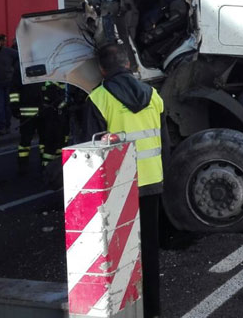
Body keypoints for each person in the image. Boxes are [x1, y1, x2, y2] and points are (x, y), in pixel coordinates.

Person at [83, 43, 165, 318]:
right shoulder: (154, 95)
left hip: (118, 185)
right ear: (129, 65)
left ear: (103, 70)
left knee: (118, 253)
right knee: (149, 251)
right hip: (152, 181)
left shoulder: (98, 99)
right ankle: (152, 311)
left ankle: (124, 310)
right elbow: (164, 144)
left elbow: (90, 152)